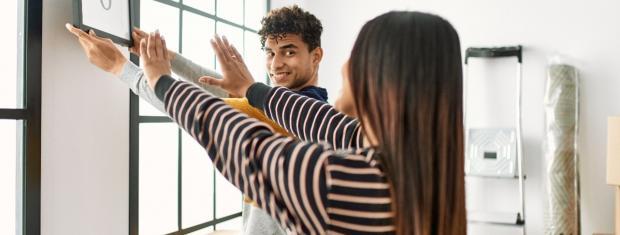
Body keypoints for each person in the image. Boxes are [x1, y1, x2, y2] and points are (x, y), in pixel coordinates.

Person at [140, 10, 466, 234]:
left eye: (356, 54)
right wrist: (252, 89)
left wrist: (160, 81)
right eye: (270, 53)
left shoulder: (338, 181)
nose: (344, 67)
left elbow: (245, 145)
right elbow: (321, 121)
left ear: (382, 78)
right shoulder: (418, 168)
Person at [66, 5, 332, 234]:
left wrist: (121, 67)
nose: (275, 65)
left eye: (288, 51)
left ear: (316, 56)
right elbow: (224, 92)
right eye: (270, 53)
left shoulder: (300, 115)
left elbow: (198, 107)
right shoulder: (292, 106)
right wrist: (168, 58)